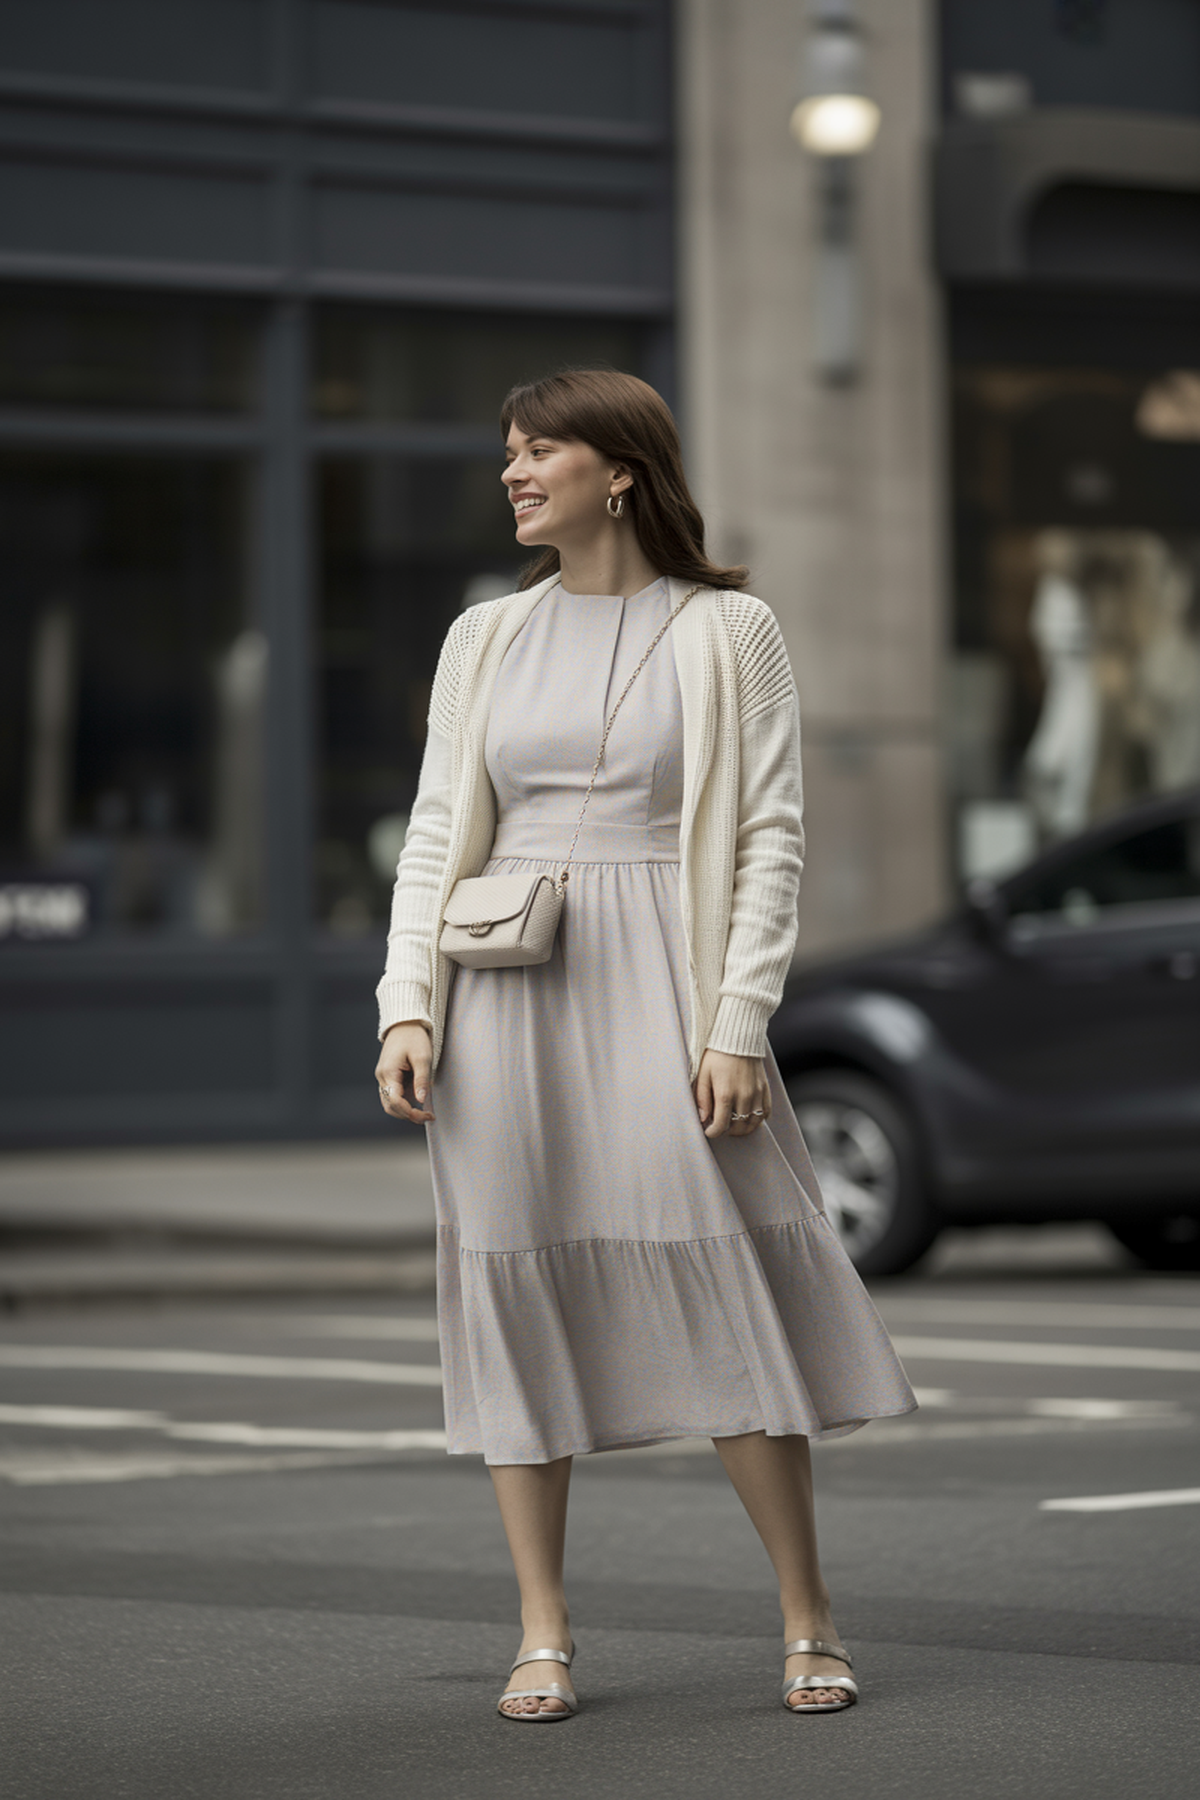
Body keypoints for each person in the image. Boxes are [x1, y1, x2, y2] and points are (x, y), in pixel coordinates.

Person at [374, 369, 915, 1722]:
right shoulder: (481, 639)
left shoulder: (731, 631)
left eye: (538, 447)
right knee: (514, 1285)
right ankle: (542, 1629)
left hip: (664, 984)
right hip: (506, 994)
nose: (513, 469)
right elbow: (438, 829)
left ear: (618, 470)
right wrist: (407, 1002)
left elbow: (772, 839)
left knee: (721, 1279)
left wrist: (738, 1018)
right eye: (507, 449)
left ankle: (807, 1613)